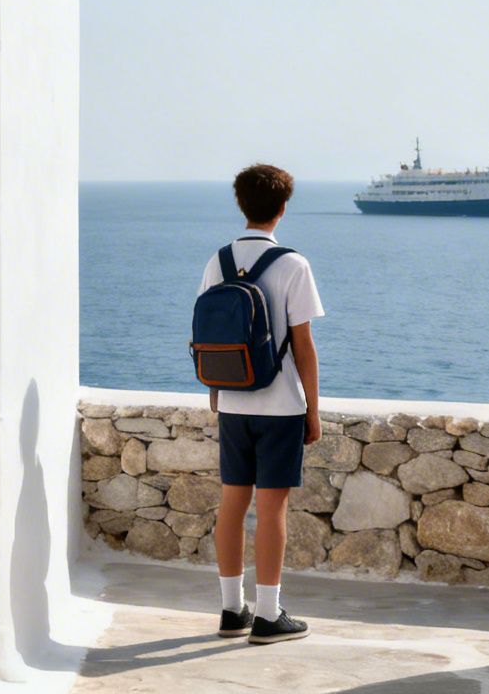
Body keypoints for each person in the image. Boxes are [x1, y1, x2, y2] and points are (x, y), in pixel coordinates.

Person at [202, 163, 323, 645]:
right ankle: (270, 616)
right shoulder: (294, 265)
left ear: (241, 205)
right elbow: (303, 346)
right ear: (283, 208)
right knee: (271, 510)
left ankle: (233, 611)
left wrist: (217, 394)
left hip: (233, 402)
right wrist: (312, 408)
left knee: (232, 504)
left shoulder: (218, 262)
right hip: (280, 407)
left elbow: (208, 336)